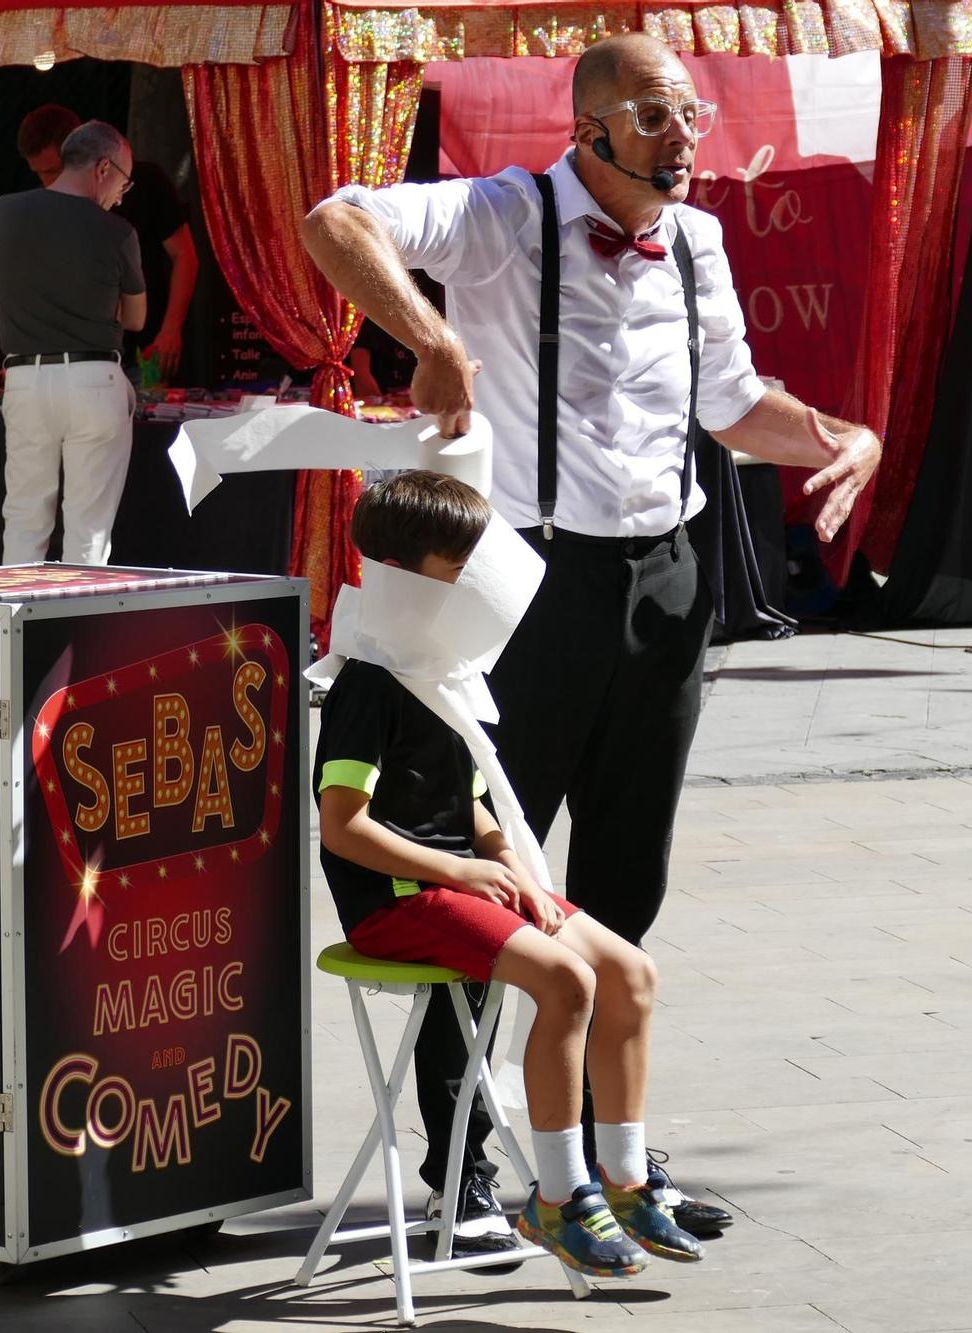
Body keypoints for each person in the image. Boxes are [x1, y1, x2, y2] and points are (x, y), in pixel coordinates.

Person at [301, 32, 881, 1262]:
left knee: (625, 874)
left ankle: (602, 1160)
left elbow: (731, 403)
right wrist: (432, 338)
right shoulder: (505, 215)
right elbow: (333, 218)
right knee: (486, 876)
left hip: (668, 577)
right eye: (663, 116)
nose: (689, 138)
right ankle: (458, 1160)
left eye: (693, 116)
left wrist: (840, 434)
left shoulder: (704, 244)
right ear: (595, 128)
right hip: (532, 583)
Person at [315, 470, 704, 1277]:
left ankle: (623, 1176)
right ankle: (558, 1196)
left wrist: (502, 861)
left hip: (458, 881)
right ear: (406, 575)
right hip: (398, 901)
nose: (473, 589)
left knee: (629, 970)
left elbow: (478, 803)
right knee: (565, 981)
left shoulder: (447, 671)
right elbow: (343, 827)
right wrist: (458, 870)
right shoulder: (368, 683)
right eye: (457, 571)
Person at [0, 121, 146, 565]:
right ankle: (75, 628)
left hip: (25, 378)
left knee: (22, 517)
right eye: (123, 181)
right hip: (95, 379)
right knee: (88, 528)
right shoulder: (118, 232)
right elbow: (136, 319)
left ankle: (13, 627)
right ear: (103, 168)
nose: (121, 193)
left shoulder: (5, 211)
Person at [16, 104, 200, 382]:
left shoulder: (147, 182)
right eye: (39, 173)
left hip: (145, 351)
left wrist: (171, 329)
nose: (47, 182)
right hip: (79, 361)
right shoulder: (46, 206)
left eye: (53, 170)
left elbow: (185, 256)